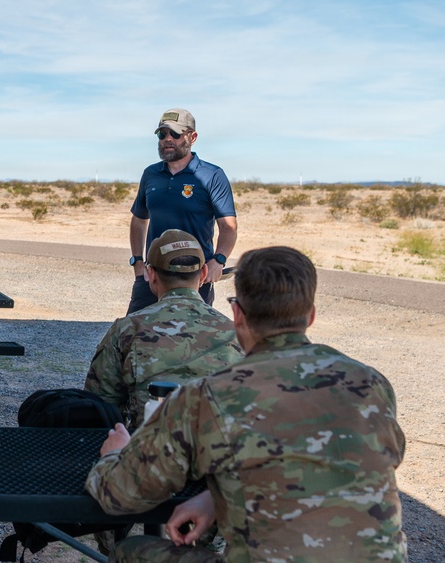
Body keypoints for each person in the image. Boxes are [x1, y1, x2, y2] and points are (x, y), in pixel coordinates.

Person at [86, 246, 406, 562]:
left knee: (130, 551)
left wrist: (115, 453)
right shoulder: (370, 383)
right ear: (310, 316)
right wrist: (213, 499)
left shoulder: (209, 395)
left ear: (237, 315)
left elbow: (121, 495)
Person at [85, 229, 243, 428]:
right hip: (219, 453)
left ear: (151, 275)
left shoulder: (126, 330)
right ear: (203, 273)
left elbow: (100, 407)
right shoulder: (235, 332)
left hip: (148, 452)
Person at [127, 108, 237, 314]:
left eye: (175, 134)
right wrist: (137, 261)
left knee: (193, 341)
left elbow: (229, 227)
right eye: (162, 134)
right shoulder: (150, 174)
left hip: (195, 277)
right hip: (153, 275)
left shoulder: (212, 175)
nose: (168, 139)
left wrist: (219, 260)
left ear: (192, 137)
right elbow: (139, 220)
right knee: (134, 336)